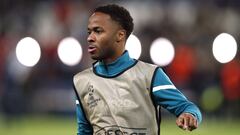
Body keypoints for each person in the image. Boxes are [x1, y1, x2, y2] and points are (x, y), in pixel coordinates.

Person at [73, 4, 202, 135]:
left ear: (120, 35)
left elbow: (187, 107)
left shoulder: (149, 75)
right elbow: (84, 131)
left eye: (98, 31)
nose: (90, 37)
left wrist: (189, 115)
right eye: (89, 32)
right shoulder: (82, 81)